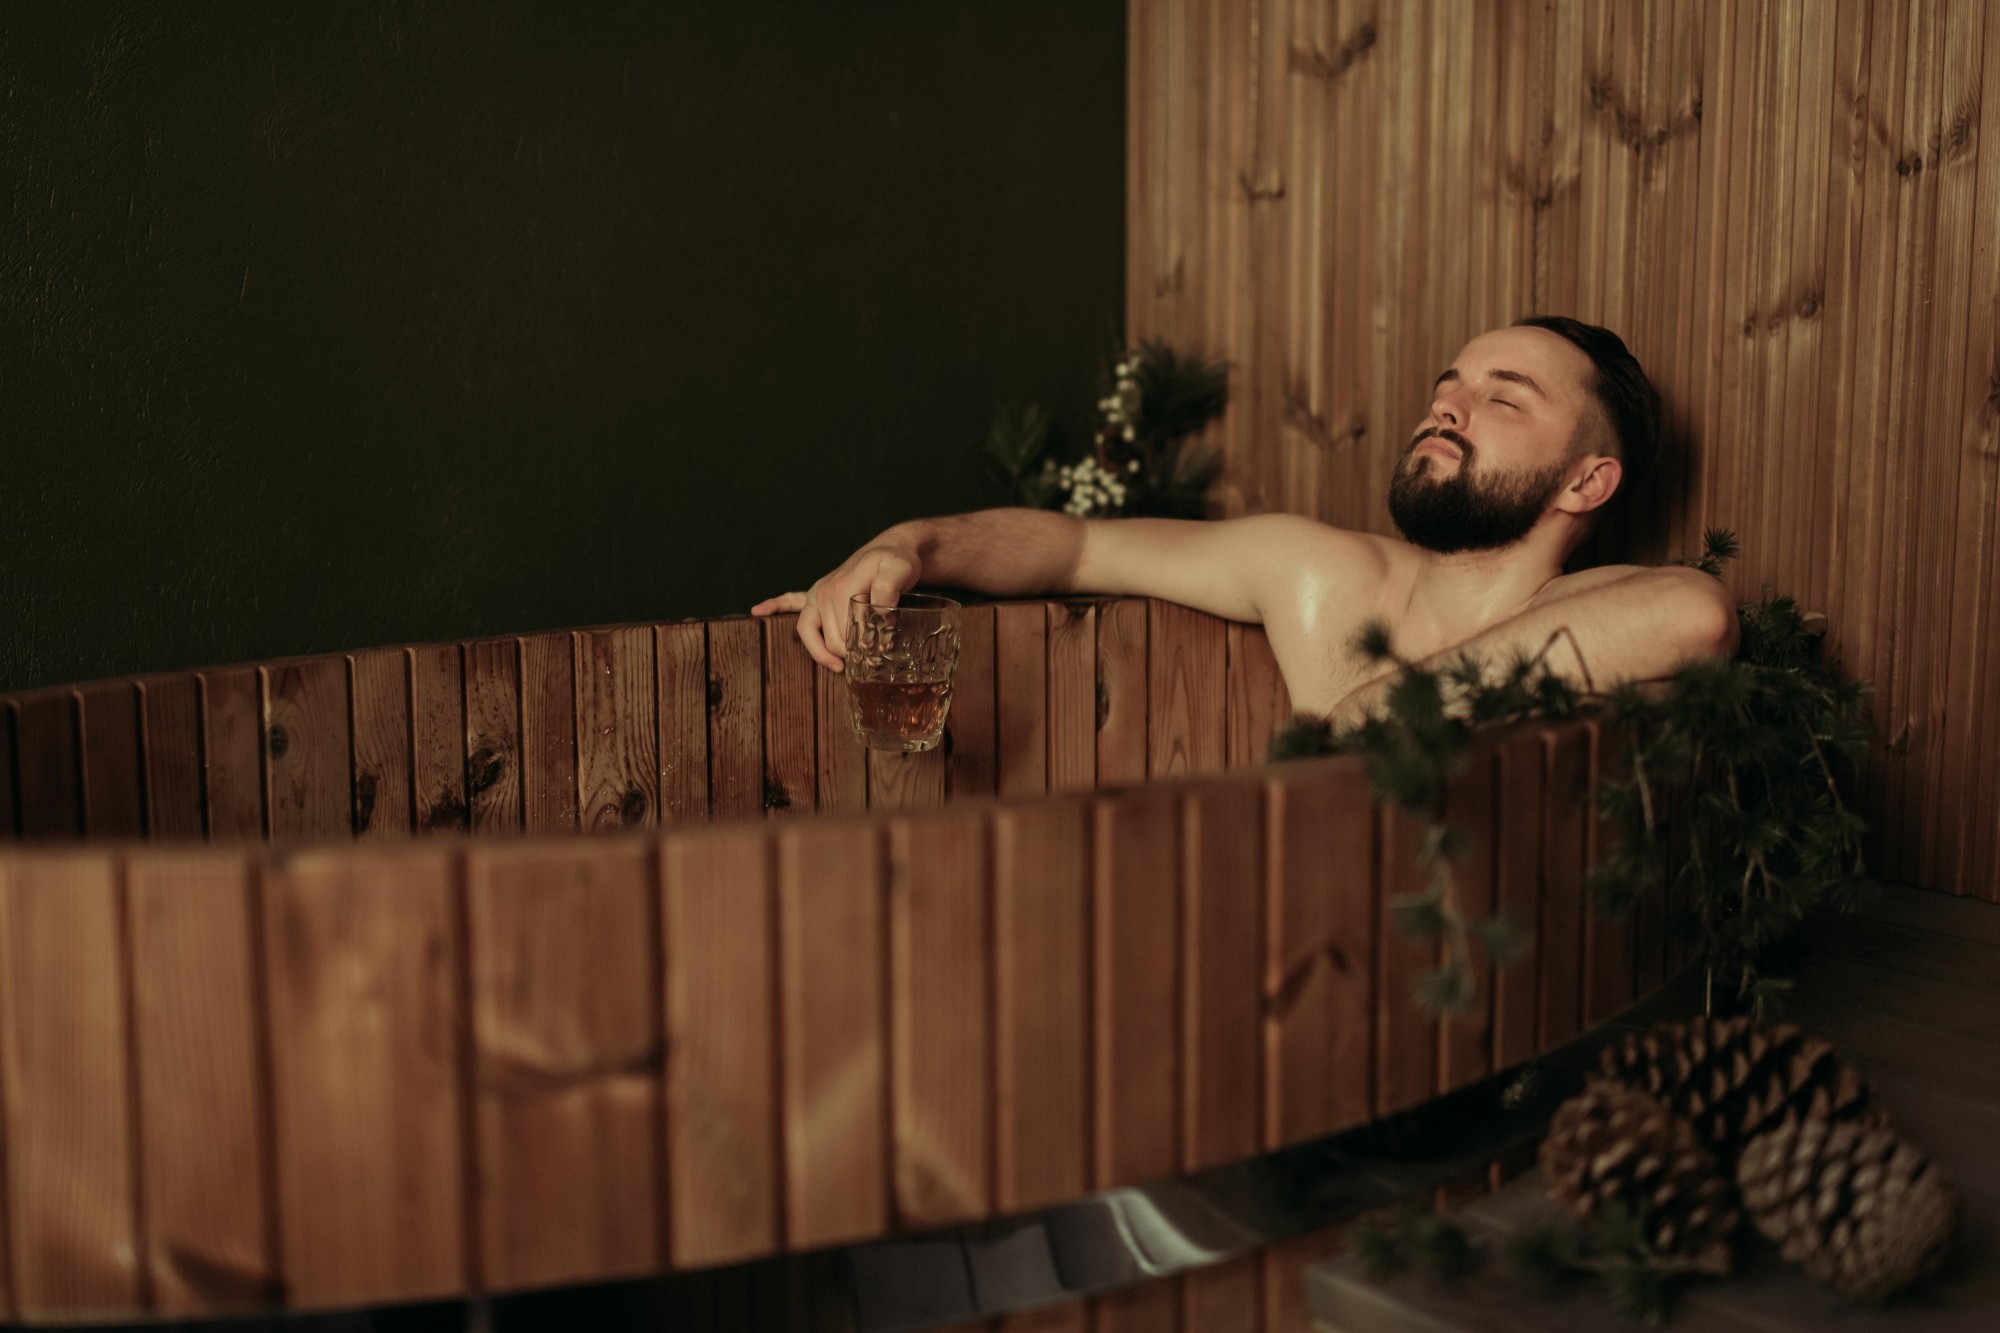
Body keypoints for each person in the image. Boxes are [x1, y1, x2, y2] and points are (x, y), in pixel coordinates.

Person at [753, 316, 1737, 726]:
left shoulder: (1594, 606)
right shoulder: (1317, 574)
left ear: (1586, 482)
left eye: (1503, 397)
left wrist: (1366, 720)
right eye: (1449, 386)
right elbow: (1081, 544)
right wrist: (907, 545)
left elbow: (1694, 613)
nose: (1447, 405)